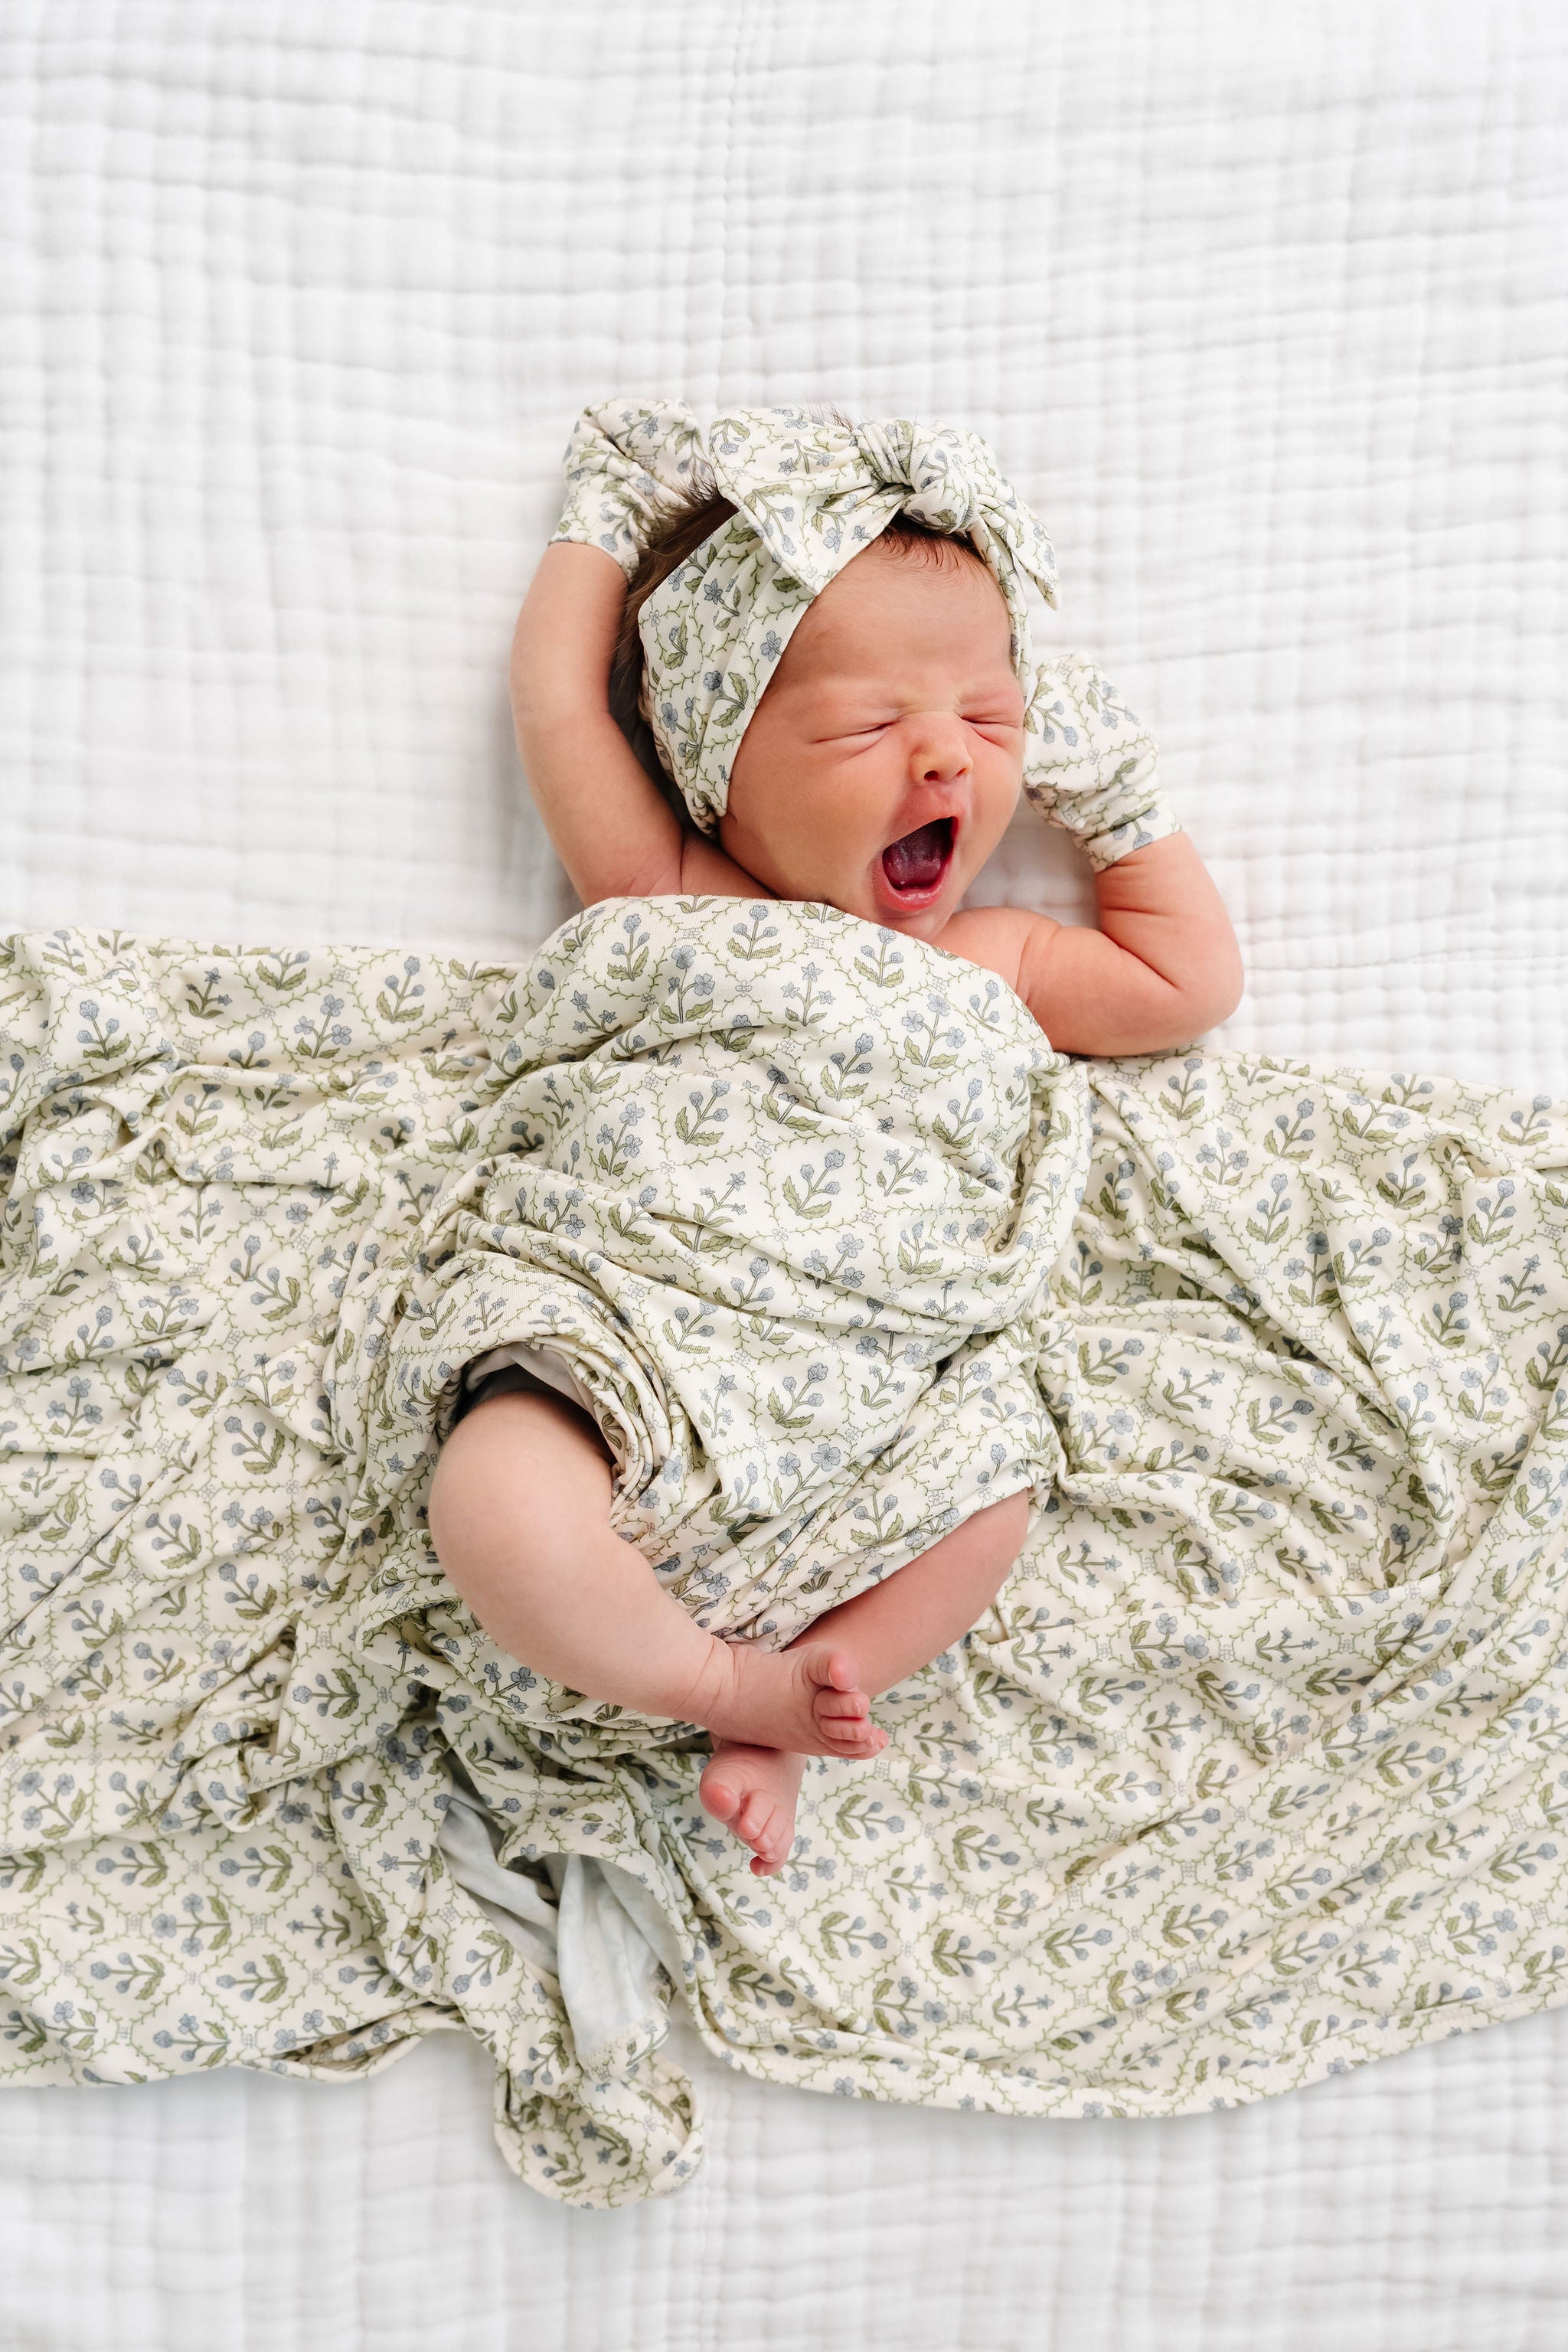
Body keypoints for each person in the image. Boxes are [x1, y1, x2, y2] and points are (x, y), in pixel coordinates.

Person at [427, 405, 1243, 1876]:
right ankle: (721, 1685)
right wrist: (606, 516)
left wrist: (1121, 807)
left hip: (869, 1384)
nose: (947, 764)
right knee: (491, 1494)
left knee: (996, 1489)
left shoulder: (991, 958)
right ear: (716, 758)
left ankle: (813, 1692)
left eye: (991, 723)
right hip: (636, 1331)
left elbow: (1186, 986)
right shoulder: (671, 890)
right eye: (873, 727)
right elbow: (557, 698)